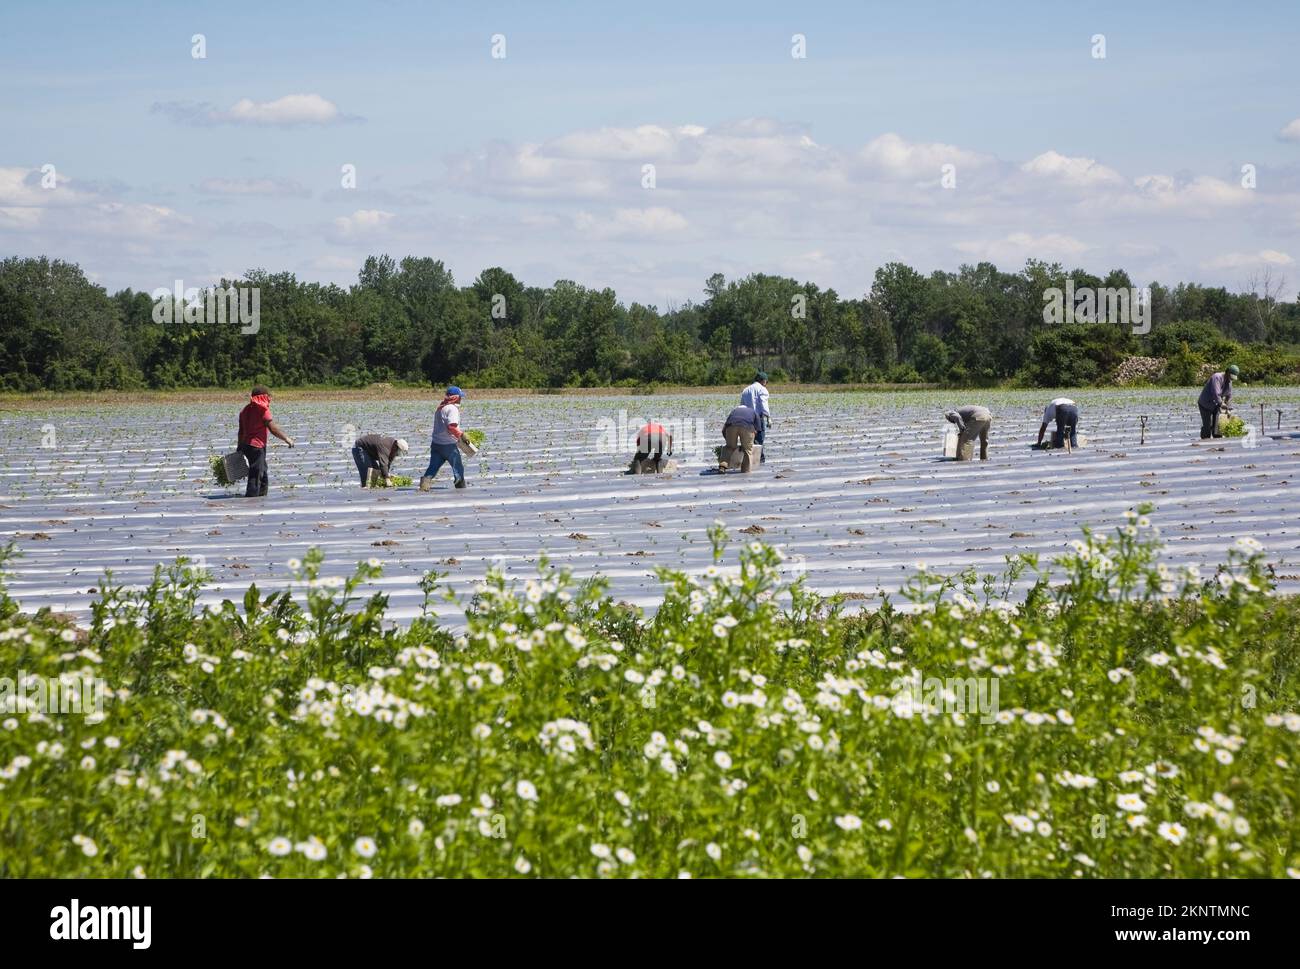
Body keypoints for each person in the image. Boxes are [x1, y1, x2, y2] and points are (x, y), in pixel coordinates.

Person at [237, 385, 294, 497]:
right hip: (257, 447)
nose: (270, 399)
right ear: (264, 397)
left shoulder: (244, 410)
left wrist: (239, 447)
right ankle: (251, 501)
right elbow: (273, 428)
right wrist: (287, 439)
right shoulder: (263, 410)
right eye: (269, 396)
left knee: (262, 472)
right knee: (255, 474)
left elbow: (241, 432)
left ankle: (262, 498)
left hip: (246, 446)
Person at [420, 386, 467, 490]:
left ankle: (424, 485)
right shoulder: (452, 409)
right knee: (458, 467)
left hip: (436, 444)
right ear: (456, 397)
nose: (461, 399)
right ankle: (460, 487)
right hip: (448, 445)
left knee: (433, 467)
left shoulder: (440, 408)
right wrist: (462, 436)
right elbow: (451, 427)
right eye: (460, 397)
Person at [719, 403, 763, 473]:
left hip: (732, 427)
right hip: (747, 427)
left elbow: (724, 429)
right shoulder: (753, 411)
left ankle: (723, 466)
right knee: (748, 450)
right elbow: (757, 430)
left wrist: (728, 441)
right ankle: (746, 470)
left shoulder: (734, 411)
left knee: (729, 447)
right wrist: (750, 442)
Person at [1198, 364, 1238, 439]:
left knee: (1218, 427)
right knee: (1207, 426)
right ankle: (1204, 442)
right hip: (1205, 403)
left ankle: (1217, 443)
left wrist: (1228, 408)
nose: (1231, 379)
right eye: (1231, 376)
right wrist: (1221, 403)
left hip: (1215, 404)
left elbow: (1229, 395)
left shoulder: (1229, 381)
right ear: (1228, 372)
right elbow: (1215, 393)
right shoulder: (1217, 377)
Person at [740, 372, 771, 463]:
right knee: (759, 438)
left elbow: (742, 405)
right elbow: (764, 404)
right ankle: (759, 458)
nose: (766, 383)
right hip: (757, 417)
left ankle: (751, 457)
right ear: (763, 381)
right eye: (766, 381)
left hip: (747, 417)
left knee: (750, 438)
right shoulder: (762, 389)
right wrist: (768, 417)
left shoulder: (746, 390)